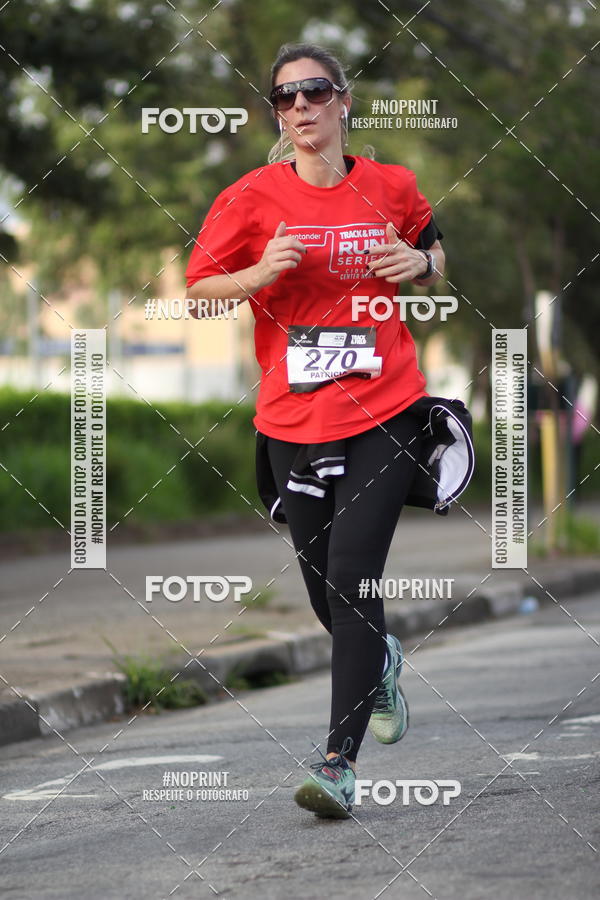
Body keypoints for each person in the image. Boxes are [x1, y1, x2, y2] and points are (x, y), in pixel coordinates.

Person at [185, 42, 448, 820]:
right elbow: (197, 292)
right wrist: (260, 273)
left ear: (344, 101)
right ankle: (382, 657)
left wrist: (421, 264)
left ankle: (337, 765)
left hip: (386, 411)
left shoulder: (392, 186)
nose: (300, 107)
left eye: (314, 92)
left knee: (354, 571)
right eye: (285, 98)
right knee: (327, 594)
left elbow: (436, 251)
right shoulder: (250, 197)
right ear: (278, 113)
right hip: (292, 421)